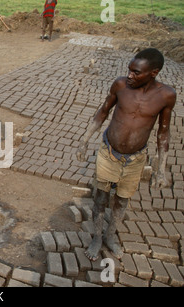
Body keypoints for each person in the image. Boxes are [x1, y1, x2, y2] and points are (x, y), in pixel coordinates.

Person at [76, 48, 176, 261]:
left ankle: (111, 236)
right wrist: (84, 141)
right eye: (129, 70)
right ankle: (96, 237)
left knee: (122, 200)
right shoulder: (120, 85)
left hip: (135, 159)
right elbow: (103, 112)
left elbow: (163, 133)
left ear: (153, 72)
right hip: (109, 152)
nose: (130, 75)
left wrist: (160, 171)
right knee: (101, 197)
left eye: (136, 72)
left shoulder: (166, 96)